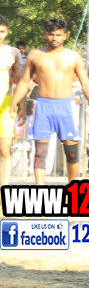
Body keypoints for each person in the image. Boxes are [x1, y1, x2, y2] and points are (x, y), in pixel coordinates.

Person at [11, 17, 89, 184]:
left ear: (65, 35)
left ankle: (72, 187)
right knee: (40, 153)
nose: (54, 38)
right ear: (45, 34)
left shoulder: (74, 57)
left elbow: (86, 83)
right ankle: (40, 191)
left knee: (71, 152)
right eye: (51, 34)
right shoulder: (35, 55)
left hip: (66, 106)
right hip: (43, 105)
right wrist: (15, 102)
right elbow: (24, 81)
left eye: (58, 35)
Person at [0, 16, 25, 186]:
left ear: (6, 32)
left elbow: (22, 81)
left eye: (2, 31)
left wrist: (22, 105)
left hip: (6, 104)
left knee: (5, 151)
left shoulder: (13, 53)